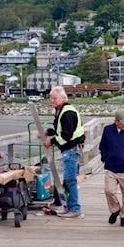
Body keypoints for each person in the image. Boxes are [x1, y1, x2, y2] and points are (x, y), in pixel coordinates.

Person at [42, 85, 85, 218]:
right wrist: (48, 132)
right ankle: (68, 207)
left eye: (54, 98)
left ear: (62, 97)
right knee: (67, 180)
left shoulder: (67, 113)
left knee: (70, 180)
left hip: (71, 149)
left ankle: (75, 209)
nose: (52, 101)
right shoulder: (62, 111)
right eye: (50, 98)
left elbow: (66, 135)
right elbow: (60, 130)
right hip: (69, 149)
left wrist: (51, 141)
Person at [99, 109, 124, 227]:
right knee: (109, 190)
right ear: (116, 121)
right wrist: (105, 157)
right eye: (122, 122)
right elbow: (103, 146)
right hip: (111, 168)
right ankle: (115, 209)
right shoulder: (107, 130)